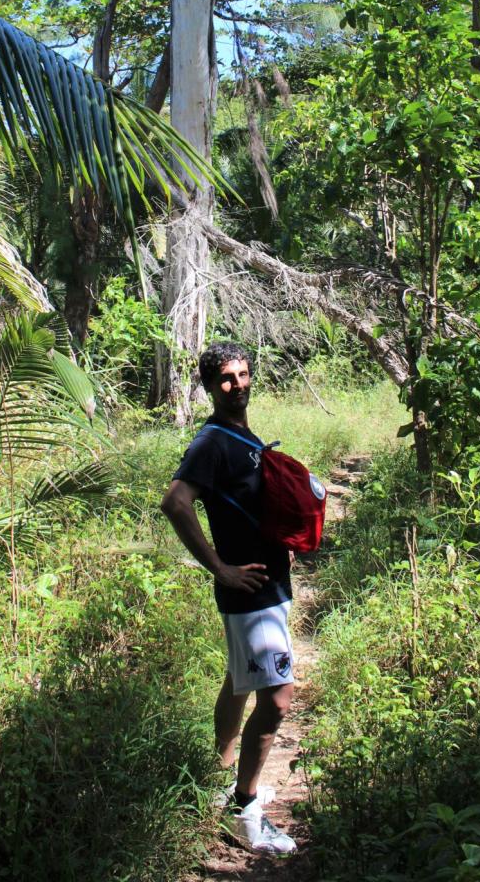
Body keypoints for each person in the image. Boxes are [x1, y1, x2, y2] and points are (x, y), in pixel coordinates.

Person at [160, 342, 297, 856]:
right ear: (209, 386)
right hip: (251, 592)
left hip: (267, 585)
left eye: (243, 375)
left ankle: (221, 779)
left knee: (240, 682)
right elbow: (175, 502)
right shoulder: (212, 441)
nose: (237, 384)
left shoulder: (240, 433)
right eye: (226, 378)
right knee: (279, 699)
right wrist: (219, 567)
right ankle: (244, 808)